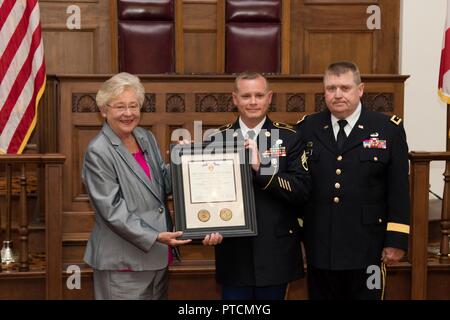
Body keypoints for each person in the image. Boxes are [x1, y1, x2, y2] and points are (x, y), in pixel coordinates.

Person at [296, 61, 410, 299]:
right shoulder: (307, 128)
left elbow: (398, 189)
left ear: (360, 89)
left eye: (345, 88)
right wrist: (298, 237)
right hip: (320, 246)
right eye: (331, 88)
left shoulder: (388, 129)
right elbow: (300, 189)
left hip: (370, 247)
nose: (337, 95)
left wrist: (396, 240)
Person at [82, 72, 192, 299]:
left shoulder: (145, 137)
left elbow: (162, 184)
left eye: (134, 106)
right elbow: (112, 211)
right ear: (104, 110)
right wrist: (154, 236)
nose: (128, 113)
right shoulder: (98, 151)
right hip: (124, 263)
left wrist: (184, 160)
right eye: (120, 106)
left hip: (158, 257)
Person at [203, 72, 311, 300]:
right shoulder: (216, 140)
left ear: (269, 97)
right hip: (233, 253)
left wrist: (261, 169)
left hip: (276, 250)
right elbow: (208, 194)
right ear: (235, 99)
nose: (253, 101)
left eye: (259, 95)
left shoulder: (290, 137)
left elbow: (301, 190)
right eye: (246, 96)